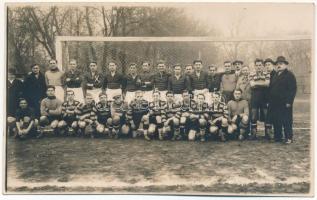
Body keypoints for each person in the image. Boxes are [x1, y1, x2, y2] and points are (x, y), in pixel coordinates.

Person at [268, 56, 297, 144]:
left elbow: (293, 89)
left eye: (281, 64)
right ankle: (278, 137)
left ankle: (289, 137)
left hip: (285, 103)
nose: (279, 66)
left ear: (285, 65)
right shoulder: (275, 75)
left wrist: (289, 102)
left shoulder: (289, 75)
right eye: (277, 64)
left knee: (286, 120)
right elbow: (271, 88)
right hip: (274, 102)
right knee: (276, 120)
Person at [249, 58, 270, 139]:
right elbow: (251, 85)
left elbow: (267, 84)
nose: (258, 67)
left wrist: (256, 83)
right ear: (255, 66)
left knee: (266, 115)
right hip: (255, 97)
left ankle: (268, 134)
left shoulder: (267, 73)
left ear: (262, 66)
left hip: (264, 97)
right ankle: (254, 134)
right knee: (254, 116)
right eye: (257, 65)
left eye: (260, 65)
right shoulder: (251, 73)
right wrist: (262, 82)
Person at [7, 68, 24, 135]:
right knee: (8, 115)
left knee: (15, 115)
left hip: (16, 102)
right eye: (9, 74)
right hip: (7, 102)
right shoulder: (3, 81)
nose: (10, 76)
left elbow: (22, 92)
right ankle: (9, 128)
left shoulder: (18, 82)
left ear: (15, 75)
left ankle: (14, 129)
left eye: (12, 74)